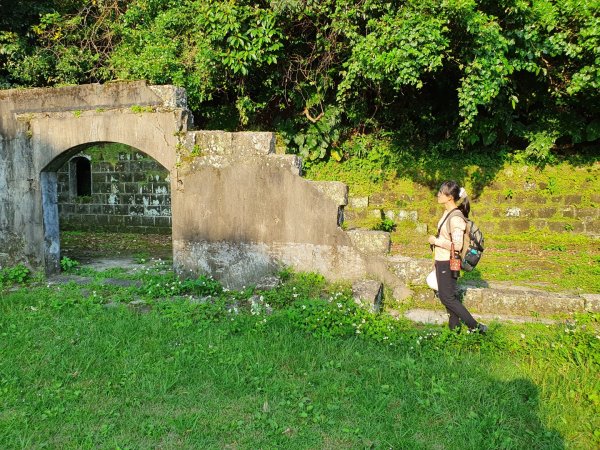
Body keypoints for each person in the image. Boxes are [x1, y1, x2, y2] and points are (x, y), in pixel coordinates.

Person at [427, 181, 488, 333]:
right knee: (449, 296)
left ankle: (476, 327)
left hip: (448, 261)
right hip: (442, 260)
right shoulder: (447, 213)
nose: (438, 195)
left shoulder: (456, 218)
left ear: (449, 197)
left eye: (441, 192)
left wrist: (436, 241)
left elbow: (458, 245)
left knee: (447, 298)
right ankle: (454, 329)